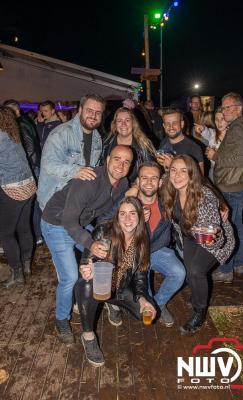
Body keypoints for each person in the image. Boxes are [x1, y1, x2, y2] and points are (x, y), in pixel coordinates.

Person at [41, 145, 133, 344]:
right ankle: (61, 319)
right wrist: (90, 243)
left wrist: (106, 236)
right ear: (107, 159)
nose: (121, 165)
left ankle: (99, 298)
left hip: (81, 224)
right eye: (117, 159)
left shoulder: (123, 184)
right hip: (56, 223)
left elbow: (108, 215)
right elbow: (68, 220)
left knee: (103, 257)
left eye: (127, 162)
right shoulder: (89, 181)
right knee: (70, 276)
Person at [75, 197, 156, 366]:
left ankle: (111, 303)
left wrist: (142, 299)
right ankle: (88, 336)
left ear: (140, 216)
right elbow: (85, 261)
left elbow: (141, 274)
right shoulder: (103, 231)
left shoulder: (142, 239)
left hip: (120, 287)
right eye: (123, 214)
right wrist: (86, 270)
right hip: (99, 284)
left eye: (132, 213)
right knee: (87, 285)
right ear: (117, 216)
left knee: (144, 315)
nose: (127, 219)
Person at [162, 155, 235, 334]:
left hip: (215, 240)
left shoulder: (204, 195)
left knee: (196, 270)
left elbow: (214, 234)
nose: (177, 175)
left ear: (192, 174)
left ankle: (200, 312)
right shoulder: (170, 190)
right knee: (190, 270)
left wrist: (208, 235)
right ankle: (197, 293)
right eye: (173, 170)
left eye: (183, 171)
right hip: (189, 237)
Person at [209, 92, 243, 282]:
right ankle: (237, 264)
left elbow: (240, 159)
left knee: (228, 228)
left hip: (232, 186)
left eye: (227, 107)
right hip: (238, 184)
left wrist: (215, 156)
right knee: (237, 225)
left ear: (239, 108)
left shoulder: (237, 128)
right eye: (222, 107)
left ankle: (226, 269)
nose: (224, 111)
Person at [137, 161, 186, 326]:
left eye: (153, 178)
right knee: (143, 285)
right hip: (134, 254)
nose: (149, 182)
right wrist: (138, 223)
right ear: (137, 181)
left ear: (160, 182)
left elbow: (195, 187)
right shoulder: (127, 203)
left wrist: (221, 204)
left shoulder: (167, 202)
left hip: (158, 250)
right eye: (144, 178)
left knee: (179, 273)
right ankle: (147, 304)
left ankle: (158, 304)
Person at [37, 93, 105, 211]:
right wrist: (76, 170)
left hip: (79, 202)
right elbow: (49, 164)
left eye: (98, 112)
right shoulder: (61, 133)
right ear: (80, 110)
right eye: (89, 110)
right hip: (55, 204)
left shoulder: (97, 139)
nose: (93, 115)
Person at [0, 107, 36, 288]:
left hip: (14, 190)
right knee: (23, 227)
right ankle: (26, 265)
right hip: (29, 186)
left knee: (5, 233)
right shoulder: (13, 134)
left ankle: (17, 274)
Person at [101, 107, 156, 183]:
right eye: (119, 121)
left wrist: (136, 187)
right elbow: (100, 166)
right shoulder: (106, 142)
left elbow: (152, 171)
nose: (123, 124)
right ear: (115, 124)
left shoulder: (144, 144)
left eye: (127, 120)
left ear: (133, 123)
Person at [157, 109, 204, 174]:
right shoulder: (163, 143)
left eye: (174, 123)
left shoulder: (193, 147)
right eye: (167, 124)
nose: (171, 127)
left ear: (182, 124)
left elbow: (200, 177)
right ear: (164, 126)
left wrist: (172, 165)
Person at [204, 107, 228, 181]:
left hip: (227, 172)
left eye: (222, 119)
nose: (219, 122)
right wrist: (208, 152)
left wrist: (215, 154)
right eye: (216, 119)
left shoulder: (232, 135)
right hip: (213, 170)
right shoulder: (213, 134)